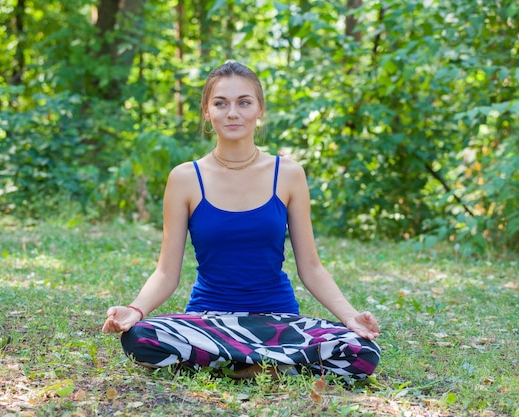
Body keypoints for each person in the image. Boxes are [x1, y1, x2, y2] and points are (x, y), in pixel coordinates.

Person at [102, 62, 381, 380]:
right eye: (220, 103)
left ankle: (229, 365)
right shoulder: (184, 178)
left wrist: (350, 318)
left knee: (363, 351)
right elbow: (166, 272)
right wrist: (136, 310)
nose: (232, 112)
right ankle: (266, 367)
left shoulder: (288, 174)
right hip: (209, 322)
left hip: (277, 323)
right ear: (207, 111)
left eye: (243, 102)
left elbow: (311, 268)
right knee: (139, 338)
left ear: (259, 109)